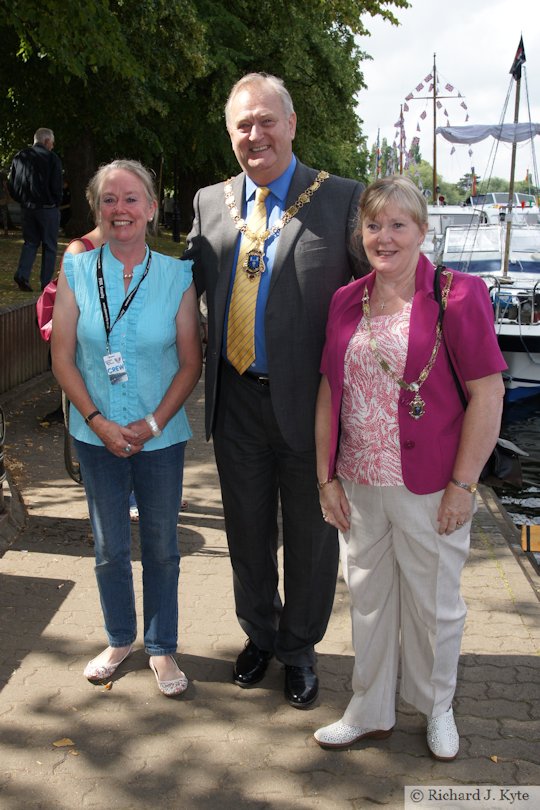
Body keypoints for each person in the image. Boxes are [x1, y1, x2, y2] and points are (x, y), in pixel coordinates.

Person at [183, 72, 368, 708]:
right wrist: (91, 248)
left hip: (312, 405)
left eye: (267, 121)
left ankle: (299, 648)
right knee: (246, 530)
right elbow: (178, 280)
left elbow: (385, 289)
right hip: (233, 399)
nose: (255, 134)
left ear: (291, 125)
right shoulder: (210, 202)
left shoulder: (342, 199)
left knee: (314, 539)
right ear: (230, 134)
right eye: (243, 125)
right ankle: (259, 634)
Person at [313, 176, 506, 758]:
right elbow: (329, 391)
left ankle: (436, 706)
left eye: (399, 224)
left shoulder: (459, 295)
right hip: (360, 482)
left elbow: (488, 395)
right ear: (361, 234)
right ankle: (368, 708)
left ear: (422, 231)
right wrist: (325, 477)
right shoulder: (347, 299)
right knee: (368, 600)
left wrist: (462, 486)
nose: (385, 236)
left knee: (434, 606)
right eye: (374, 225)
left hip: (431, 488)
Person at [51, 159, 202, 696]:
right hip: (96, 437)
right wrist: (96, 419)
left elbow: (190, 362)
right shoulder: (74, 271)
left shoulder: (176, 275)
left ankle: (162, 648)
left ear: (152, 208)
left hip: (160, 438)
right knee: (110, 547)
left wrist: (153, 421)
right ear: (97, 210)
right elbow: (62, 357)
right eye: (109, 200)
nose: (121, 209)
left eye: (131, 198)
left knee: (161, 546)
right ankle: (119, 638)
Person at [9, 128, 63, 291]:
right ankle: (46, 283)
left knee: (30, 243)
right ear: (47, 141)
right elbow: (56, 184)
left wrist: (21, 199)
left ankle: (22, 274)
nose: (52, 146)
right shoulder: (52, 159)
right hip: (47, 208)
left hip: (27, 207)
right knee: (50, 246)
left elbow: (12, 183)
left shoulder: (20, 157)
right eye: (52, 143)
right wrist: (55, 202)